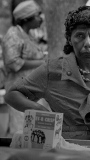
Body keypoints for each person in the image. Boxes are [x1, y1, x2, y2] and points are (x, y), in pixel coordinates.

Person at [4, 5, 90, 140]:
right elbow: (12, 95)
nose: (87, 43)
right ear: (70, 39)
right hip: (68, 148)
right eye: (80, 36)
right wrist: (39, 110)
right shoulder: (52, 70)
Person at [2, 0, 47, 137]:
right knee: (21, 127)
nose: (41, 18)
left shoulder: (30, 35)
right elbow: (12, 63)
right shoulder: (13, 34)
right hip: (18, 89)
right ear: (27, 19)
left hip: (33, 88)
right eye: (38, 15)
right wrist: (42, 63)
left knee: (35, 129)